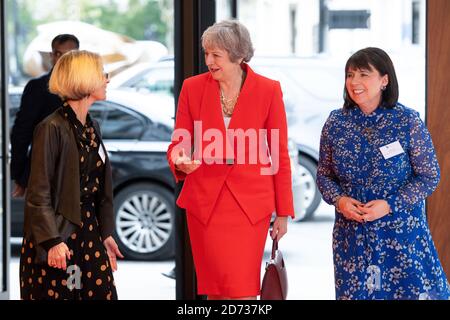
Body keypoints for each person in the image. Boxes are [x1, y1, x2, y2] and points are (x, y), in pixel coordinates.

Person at [167, 20, 294, 300]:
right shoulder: (192, 87)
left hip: (249, 207)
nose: (208, 61)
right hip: (204, 205)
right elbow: (180, 139)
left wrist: (283, 211)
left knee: (244, 290)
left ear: (237, 55)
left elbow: (278, 153)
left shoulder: (268, 90)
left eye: (216, 55)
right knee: (214, 290)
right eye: (206, 54)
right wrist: (179, 158)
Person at [316, 47, 450, 300]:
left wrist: (390, 205)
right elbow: (324, 175)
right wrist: (340, 201)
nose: (354, 82)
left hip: (401, 235)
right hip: (352, 236)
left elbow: (429, 176)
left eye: (364, 74)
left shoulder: (407, 121)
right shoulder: (336, 123)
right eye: (350, 74)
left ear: (384, 80)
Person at [19, 50, 123, 300]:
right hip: (58, 235)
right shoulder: (50, 128)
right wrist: (52, 241)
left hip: (89, 232)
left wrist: (106, 233)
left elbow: (99, 187)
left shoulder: (91, 127)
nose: (107, 79)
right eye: (102, 74)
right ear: (84, 80)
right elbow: (38, 195)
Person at [11, 34, 80, 198]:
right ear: (51, 56)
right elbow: (22, 131)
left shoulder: (85, 87)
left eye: (68, 55)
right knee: (44, 222)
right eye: (58, 54)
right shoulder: (38, 87)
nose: (62, 60)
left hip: (79, 174)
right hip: (45, 173)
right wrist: (21, 176)